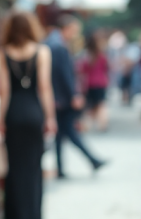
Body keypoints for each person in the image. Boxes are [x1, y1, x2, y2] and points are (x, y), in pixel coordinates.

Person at [0, 11, 56, 219]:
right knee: (33, 170)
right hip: (34, 114)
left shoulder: (3, 53)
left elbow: (4, 91)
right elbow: (44, 88)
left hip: (13, 114)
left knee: (15, 169)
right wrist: (50, 117)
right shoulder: (42, 52)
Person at [45, 15, 107, 178]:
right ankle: (91, 159)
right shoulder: (59, 45)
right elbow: (64, 74)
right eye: (74, 30)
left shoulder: (52, 42)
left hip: (57, 97)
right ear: (67, 28)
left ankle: (63, 167)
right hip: (61, 98)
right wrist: (74, 95)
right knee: (69, 131)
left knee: (61, 133)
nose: (75, 34)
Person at [78, 31, 110, 132]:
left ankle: (86, 125)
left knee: (91, 106)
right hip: (101, 83)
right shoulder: (102, 55)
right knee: (100, 104)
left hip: (90, 84)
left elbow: (81, 70)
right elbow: (107, 68)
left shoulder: (87, 55)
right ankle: (102, 124)